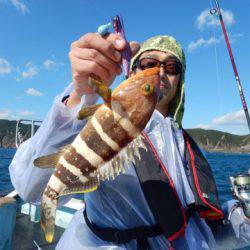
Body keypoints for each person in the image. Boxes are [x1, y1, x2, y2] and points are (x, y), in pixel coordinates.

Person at [9, 31, 250, 249]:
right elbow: (31, 188)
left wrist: (243, 215)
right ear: (132, 71)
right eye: (149, 64)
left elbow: (201, 222)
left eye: (172, 66)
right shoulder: (106, 117)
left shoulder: (190, 147)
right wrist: (79, 95)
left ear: (181, 81)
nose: (161, 72)